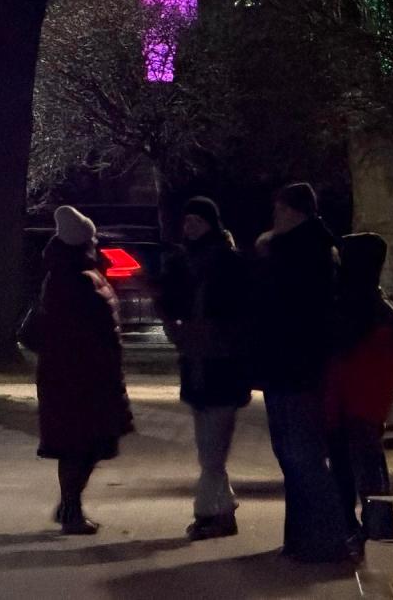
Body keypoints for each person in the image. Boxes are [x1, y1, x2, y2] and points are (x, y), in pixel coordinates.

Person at [252, 181, 348, 563]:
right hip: (295, 365)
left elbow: (281, 307)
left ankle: (326, 537)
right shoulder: (312, 248)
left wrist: (266, 254)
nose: (274, 217)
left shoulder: (298, 252)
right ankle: (305, 537)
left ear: (293, 211)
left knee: (300, 455)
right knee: (296, 454)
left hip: (294, 366)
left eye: (278, 210)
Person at [25, 205, 134, 536]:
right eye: (92, 239)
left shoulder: (70, 274)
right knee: (81, 445)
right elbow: (83, 330)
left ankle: (69, 506)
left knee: (83, 443)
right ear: (83, 242)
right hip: (81, 378)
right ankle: (71, 509)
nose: (96, 243)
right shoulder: (75, 279)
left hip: (75, 376)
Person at [159, 196, 253, 540]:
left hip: (221, 365)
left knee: (212, 450)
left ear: (211, 224)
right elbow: (172, 304)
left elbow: (239, 314)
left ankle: (207, 512)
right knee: (209, 449)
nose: (190, 227)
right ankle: (221, 512)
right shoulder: (185, 262)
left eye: (197, 221)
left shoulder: (228, 264)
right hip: (198, 364)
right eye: (187, 221)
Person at [325, 233, 393, 551]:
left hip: (352, 398)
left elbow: (342, 349)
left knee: (358, 468)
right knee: (368, 465)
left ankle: (375, 531)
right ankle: (378, 528)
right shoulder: (380, 305)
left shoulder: (354, 305)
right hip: (368, 400)